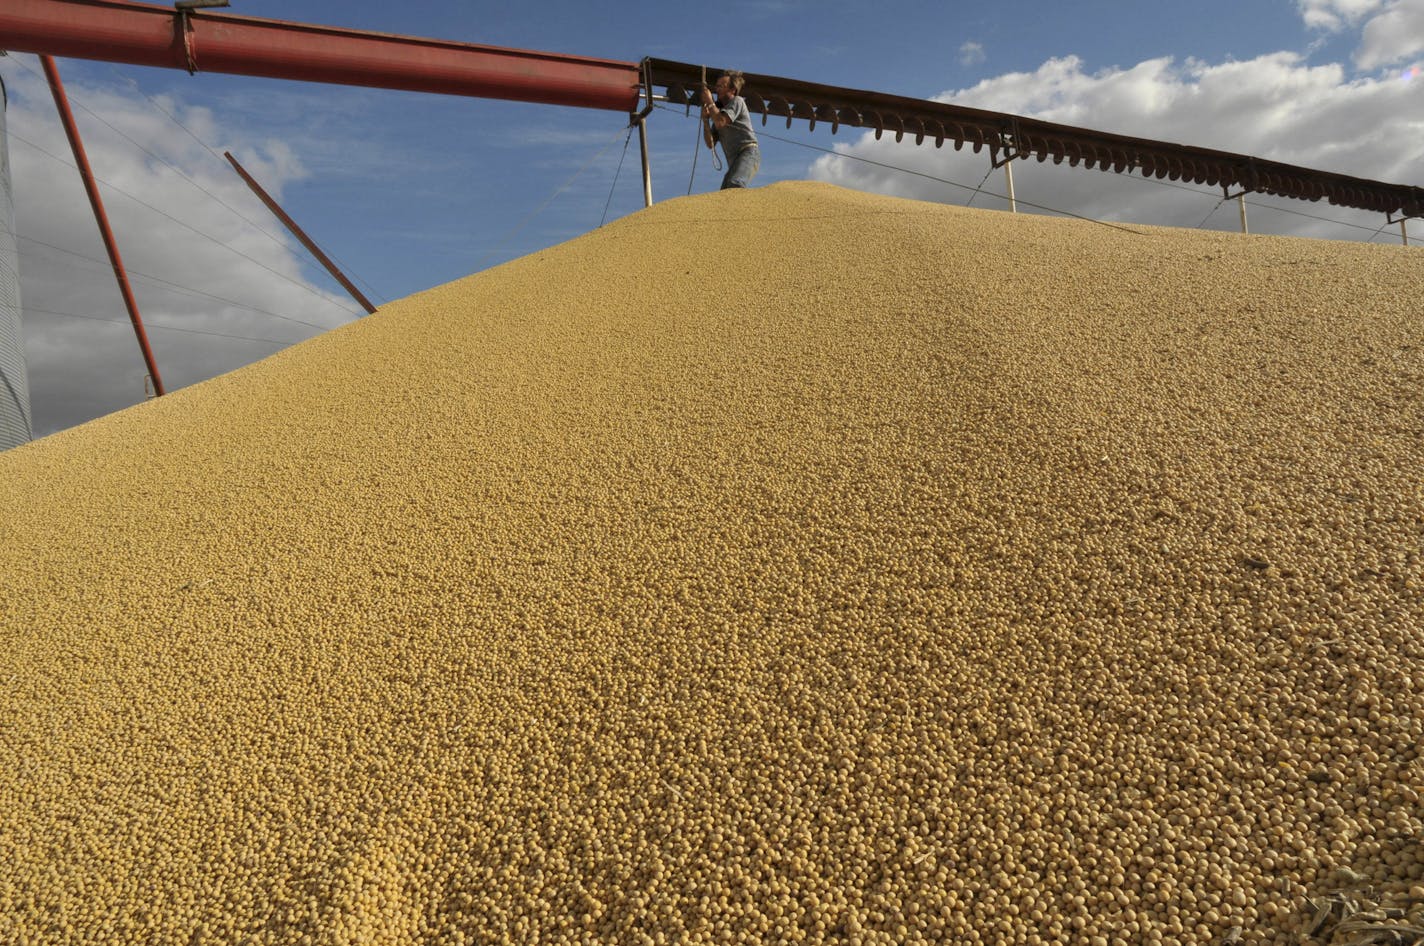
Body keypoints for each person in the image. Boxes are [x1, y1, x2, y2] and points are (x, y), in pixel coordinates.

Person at [700, 71, 760, 190]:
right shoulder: (718, 112)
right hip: (734, 162)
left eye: (721, 86)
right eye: (717, 86)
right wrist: (706, 121)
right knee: (724, 194)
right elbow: (710, 143)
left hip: (748, 152)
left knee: (735, 183)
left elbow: (721, 121)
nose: (717, 89)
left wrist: (710, 103)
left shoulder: (737, 101)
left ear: (733, 90)